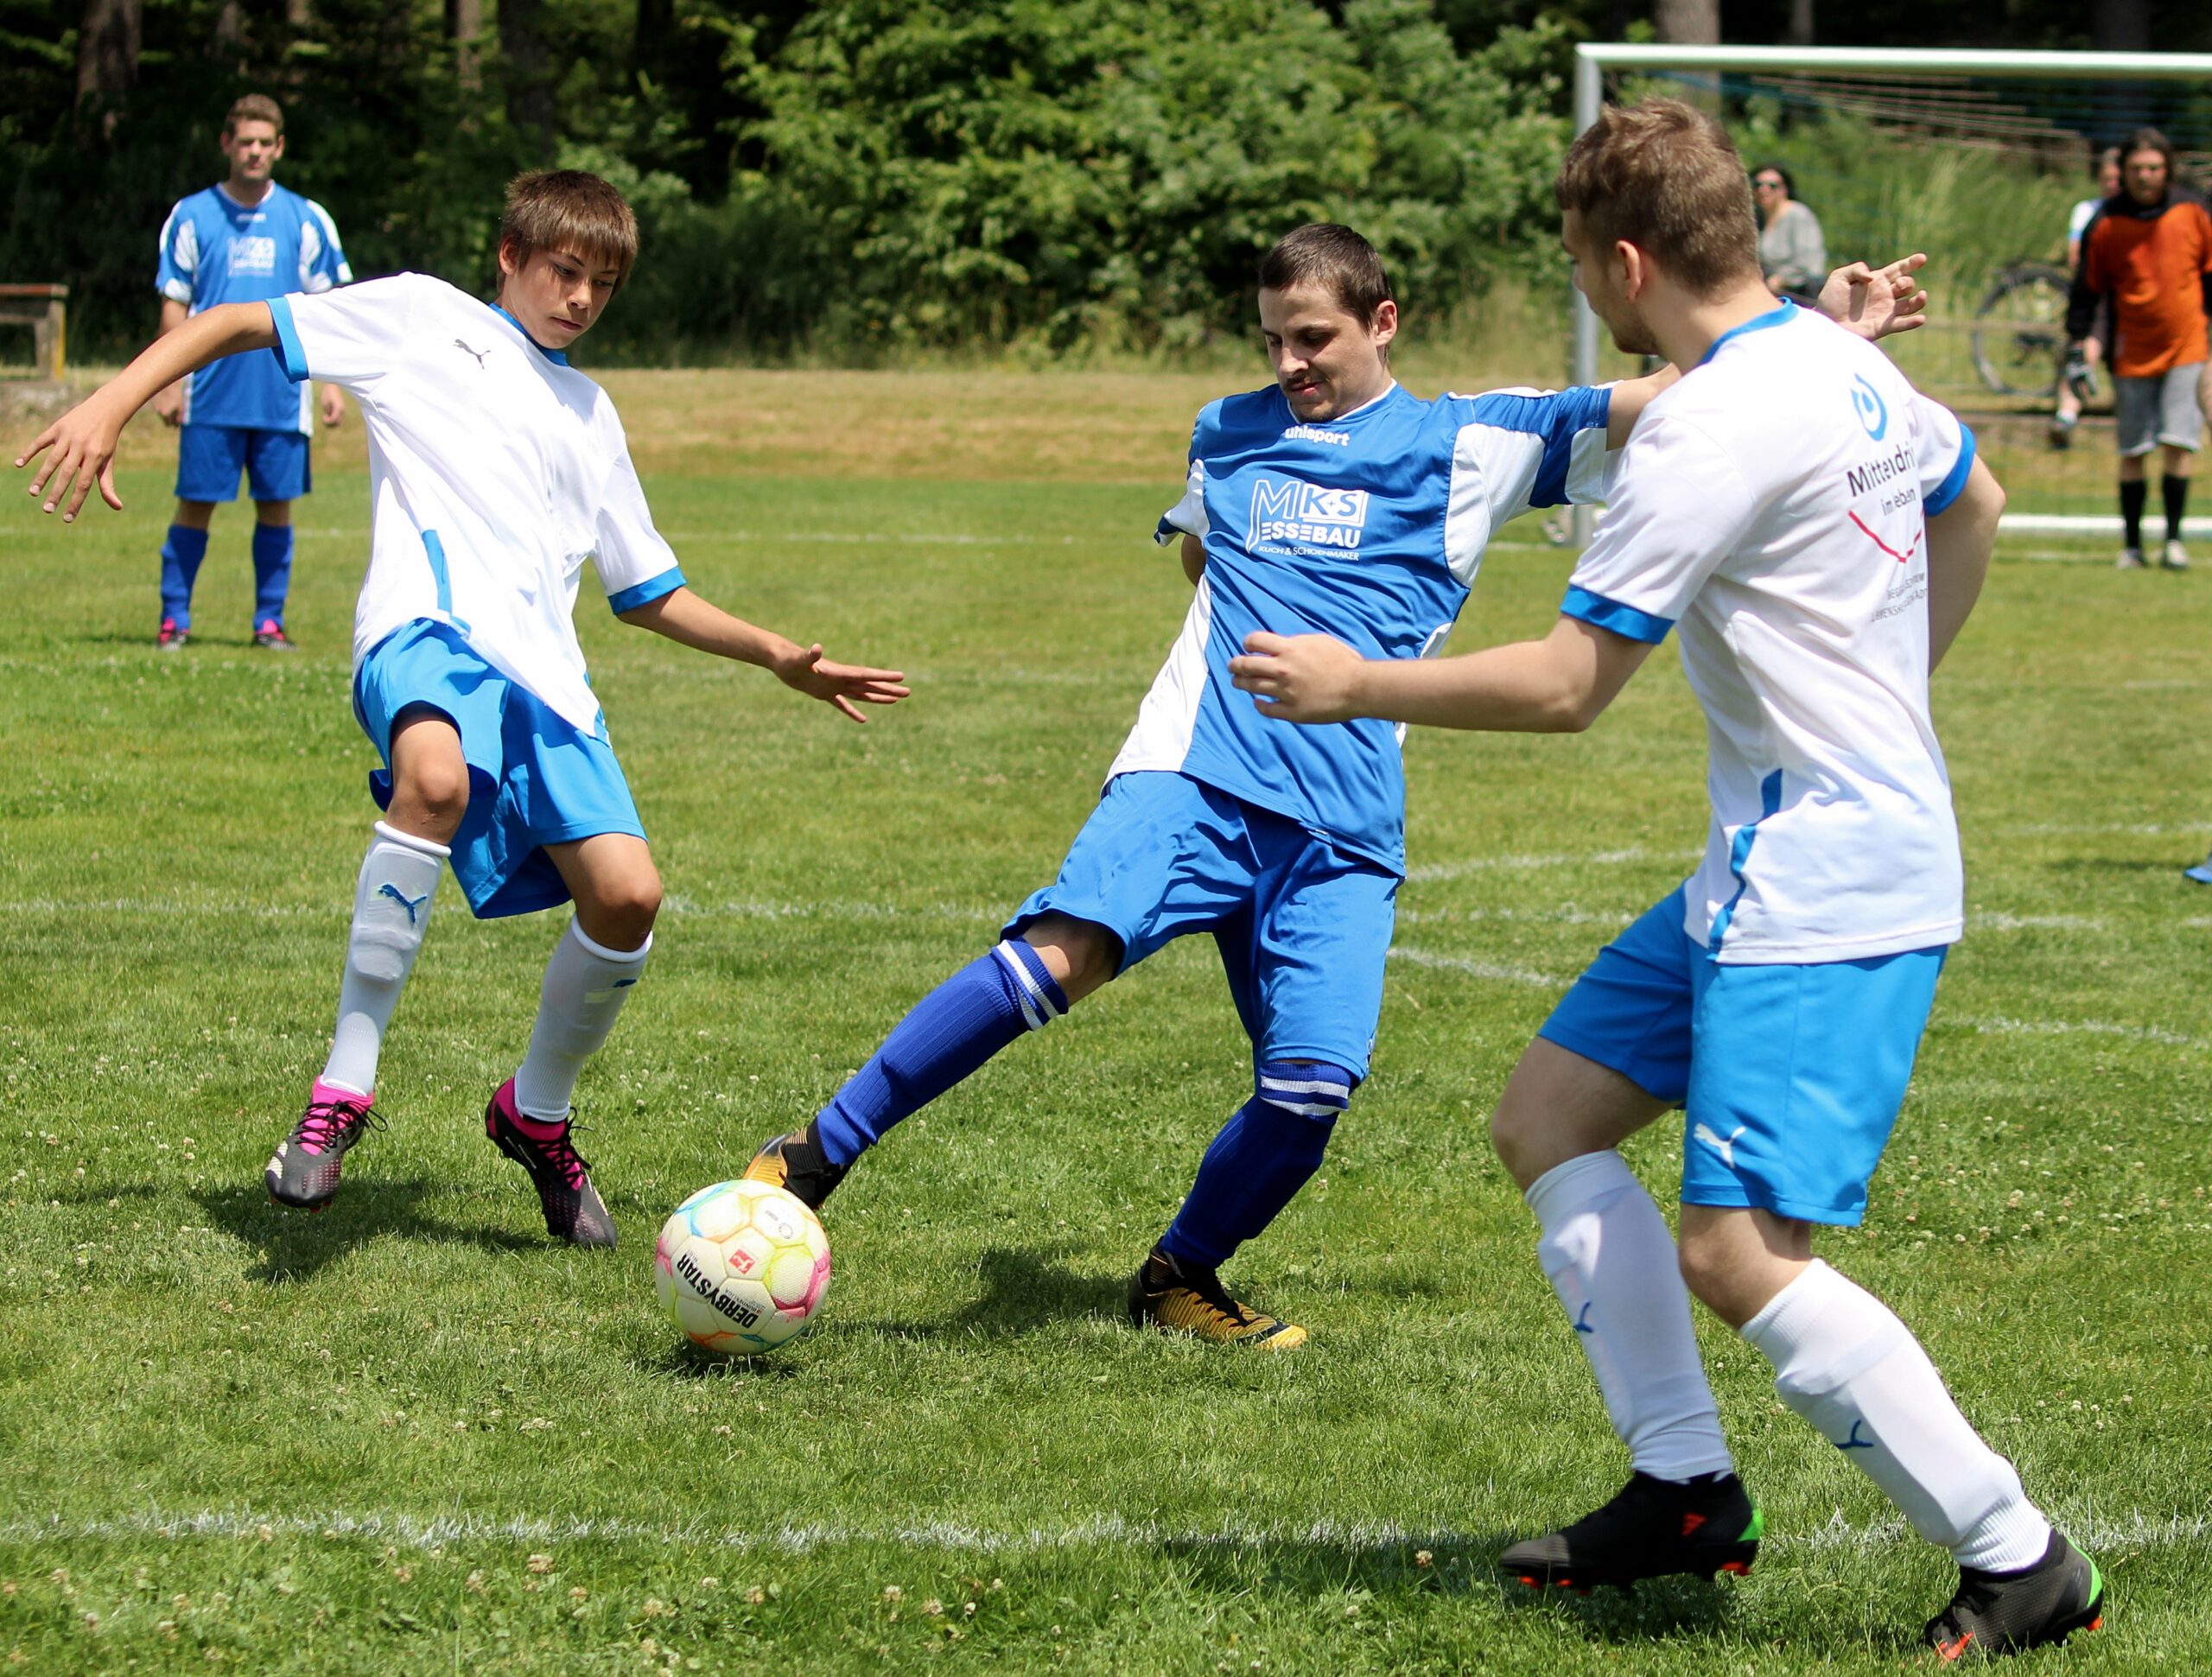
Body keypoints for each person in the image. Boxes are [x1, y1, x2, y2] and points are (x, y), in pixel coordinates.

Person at [1230, 98, 2102, 1660]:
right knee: (1547, 1117)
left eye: (1582, 264)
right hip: (1762, 860)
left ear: (1626, 263)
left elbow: (1570, 684)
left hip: (1826, 883)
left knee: (1738, 1253)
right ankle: (1686, 1490)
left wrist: (1356, 683)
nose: (1586, 287)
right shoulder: (1835, 357)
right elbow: (1971, 501)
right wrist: (1894, 692)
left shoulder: (1712, 423)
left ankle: (2018, 1553)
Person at [738, 224, 1925, 1350]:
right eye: (1272, 340)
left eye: (1313, 338)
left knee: (1311, 1086)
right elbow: (1202, 551)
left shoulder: (1475, 441)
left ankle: (1179, 1274)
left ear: (1382, 322)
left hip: (1344, 822)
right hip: (1194, 773)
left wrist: (1820, 331)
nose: (1289, 364)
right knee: (1059, 956)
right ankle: (816, 1154)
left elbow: (1674, 393)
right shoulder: (1226, 430)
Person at [17, 170, 909, 1247]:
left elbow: (644, 591)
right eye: (563, 271)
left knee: (628, 897)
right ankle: (342, 1090)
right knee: (433, 781)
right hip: (424, 630)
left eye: (602, 284)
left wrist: (774, 654)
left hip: (547, 681)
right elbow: (238, 319)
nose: (580, 298)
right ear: (510, 256)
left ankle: (534, 1114)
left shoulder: (592, 414)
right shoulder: (420, 318)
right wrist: (107, 403)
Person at [152, 93, 351, 651]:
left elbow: (330, 307)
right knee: (196, 503)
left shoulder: (306, 218)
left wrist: (332, 383)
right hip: (210, 393)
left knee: (276, 507)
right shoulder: (191, 215)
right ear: (227, 144)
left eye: (265, 142)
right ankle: (174, 619)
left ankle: (268, 622)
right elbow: (174, 302)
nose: (255, 151)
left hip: (282, 394)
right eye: (246, 142)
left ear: (279, 147)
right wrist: (167, 382)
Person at [2066, 127, 2212, 570]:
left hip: (2187, 346)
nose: (2145, 176)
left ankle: (2173, 541)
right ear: (2122, 172)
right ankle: (2132, 547)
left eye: (2153, 168)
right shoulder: (2105, 223)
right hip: (2130, 351)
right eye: (2136, 169)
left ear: (2167, 170)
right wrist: (2077, 344)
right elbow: (2086, 290)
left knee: (2178, 445)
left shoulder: (2193, 211)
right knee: (2133, 450)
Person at [2050, 146, 2123, 448]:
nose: (2111, 184)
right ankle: (2066, 415)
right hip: (2096, 295)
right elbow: (2075, 256)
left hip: (2129, 298)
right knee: (2084, 349)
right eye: (2106, 178)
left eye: (2116, 178)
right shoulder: (2087, 210)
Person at [1753, 163, 1827, 301]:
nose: (1764, 190)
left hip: (1800, 291)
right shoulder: (1757, 218)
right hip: (1770, 289)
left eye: (1772, 186)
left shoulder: (1799, 215)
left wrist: (1780, 279)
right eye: (1758, 185)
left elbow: (1807, 261)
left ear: (1784, 189)